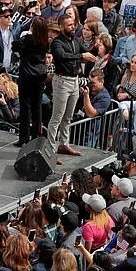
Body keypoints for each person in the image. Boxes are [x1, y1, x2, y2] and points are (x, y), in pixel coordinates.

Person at [49, 14, 96, 164]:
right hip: (62, 81)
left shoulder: (75, 40)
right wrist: (82, 55)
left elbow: (85, 51)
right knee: (57, 117)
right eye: (69, 25)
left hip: (74, 81)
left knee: (68, 116)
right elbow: (62, 56)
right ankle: (50, 150)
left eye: (74, 24)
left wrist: (95, 48)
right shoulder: (57, 42)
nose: (73, 27)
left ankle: (64, 144)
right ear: (62, 27)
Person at [12, 16, 49, 146]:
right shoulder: (45, 41)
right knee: (37, 106)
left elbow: (14, 45)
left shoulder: (27, 39)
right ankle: (36, 137)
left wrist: (25, 31)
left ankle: (24, 138)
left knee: (25, 107)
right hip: (40, 75)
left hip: (27, 75)